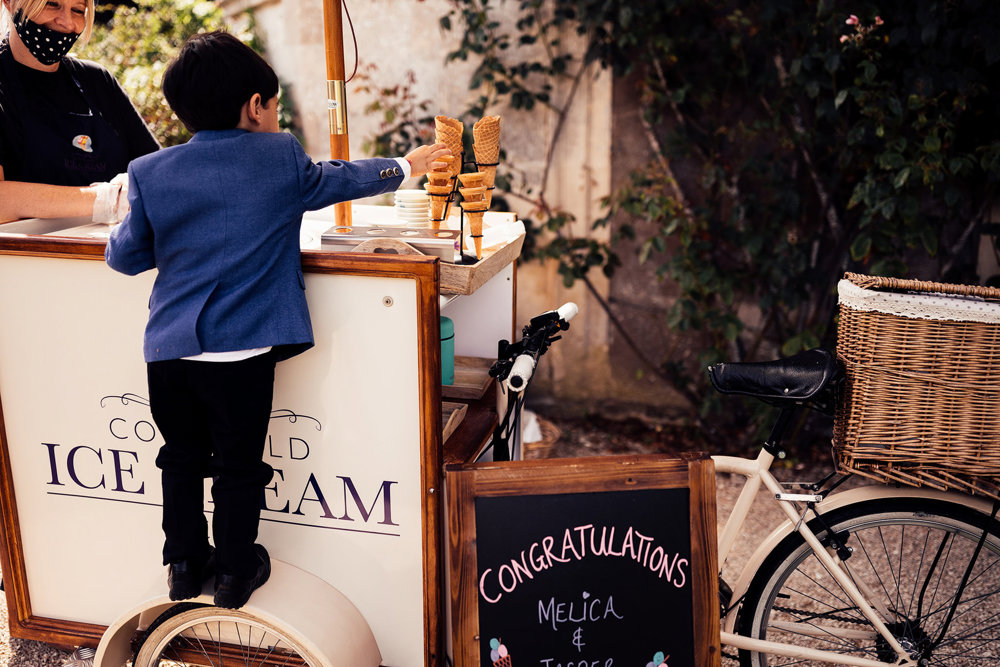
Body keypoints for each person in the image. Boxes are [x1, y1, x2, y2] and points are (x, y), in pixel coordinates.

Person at [105, 30, 450, 610]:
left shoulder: (150, 171)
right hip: (239, 355)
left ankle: (184, 567)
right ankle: (237, 573)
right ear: (255, 106)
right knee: (238, 465)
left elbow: (125, 257)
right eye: (273, 105)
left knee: (180, 458)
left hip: (167, 354)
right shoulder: (278, 156)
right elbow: (336, 179)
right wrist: (403, 165)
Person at [0, 0, 159, 222]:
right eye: (51, 4)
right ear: (9, 2)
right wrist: (107, 199)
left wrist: (133, 183)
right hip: (31, 255)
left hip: (109, 254)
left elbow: (156, 172)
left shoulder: (97, 81)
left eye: (77, 10)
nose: (66, 22)